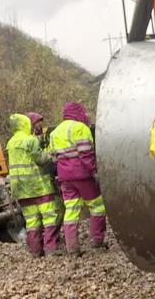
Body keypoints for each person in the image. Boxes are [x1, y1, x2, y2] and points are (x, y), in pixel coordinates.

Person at [47, 102, 106, 254]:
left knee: (71, 210)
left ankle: (72, 248)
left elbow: (53, 158)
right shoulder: (80, 128)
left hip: (64, 178)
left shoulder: (54, 132)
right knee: (97, 206)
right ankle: (97, 241)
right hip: (82, 175)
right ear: (78, 112)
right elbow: (85, 153)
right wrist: (94, 172)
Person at [6, 113, 60, 257]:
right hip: (38, 187)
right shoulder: (30, 140)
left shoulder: (10, 143)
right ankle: (51, 250)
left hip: (21, 189)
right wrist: (52, 154)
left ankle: (35, 251)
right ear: (26, 124)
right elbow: (41, 159)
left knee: (31, 222)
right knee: (49, 218)